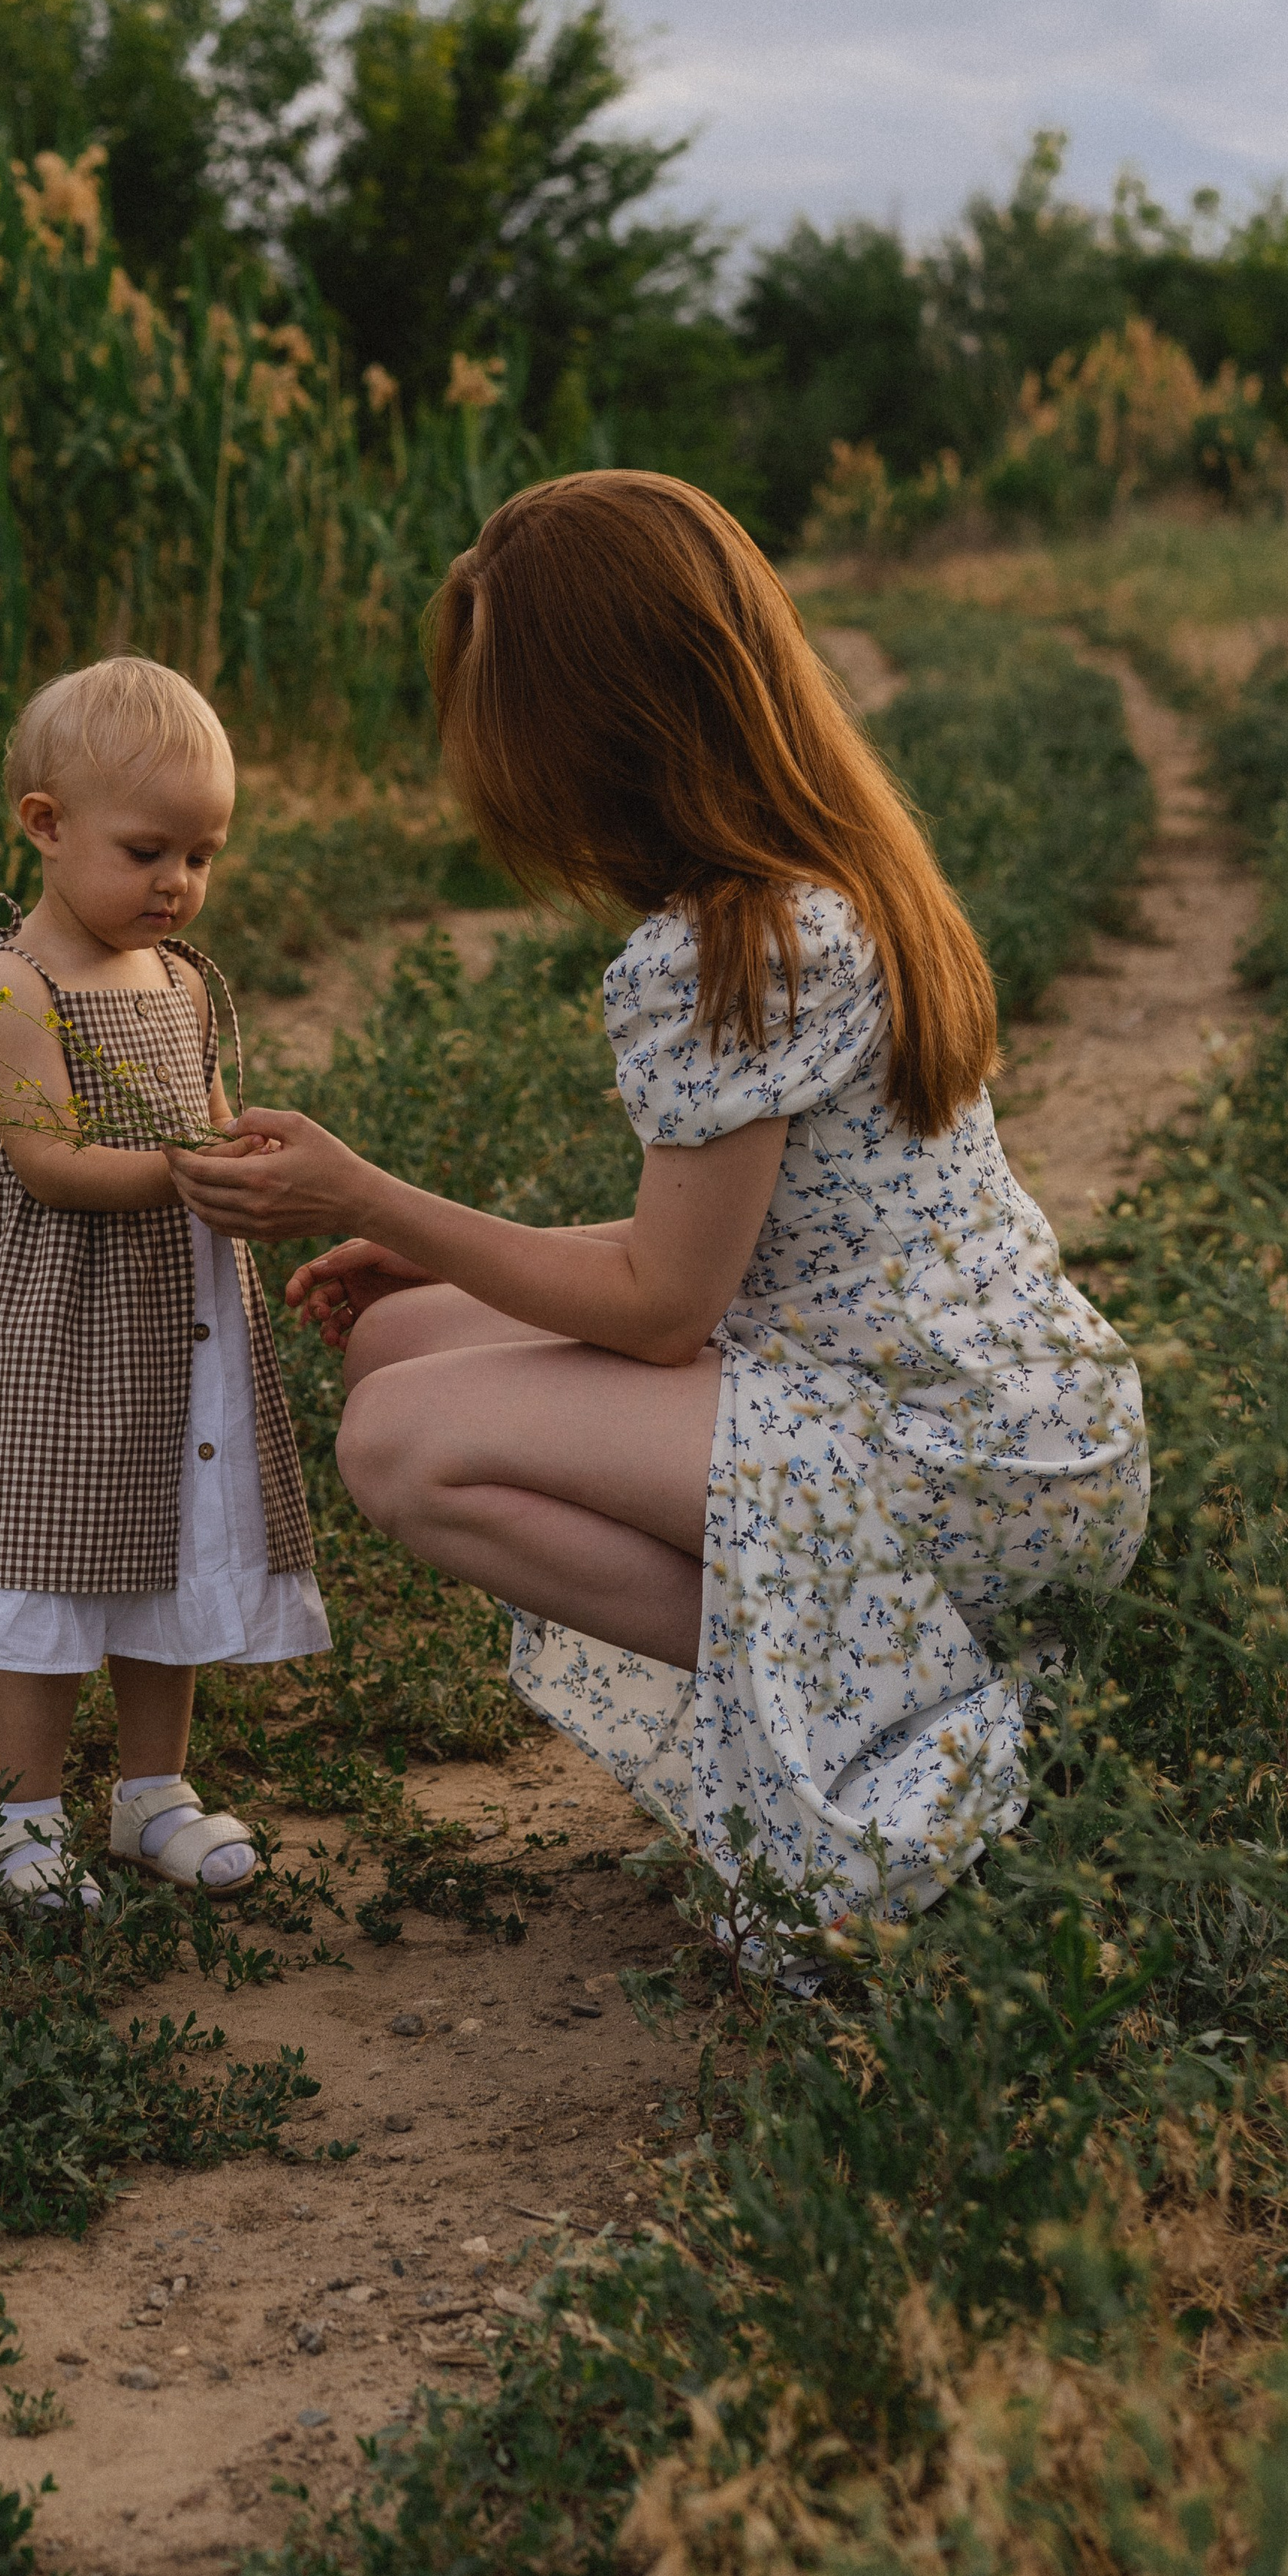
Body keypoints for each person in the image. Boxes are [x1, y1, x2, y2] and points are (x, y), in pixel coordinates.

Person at [170, 472, 1147, 1931]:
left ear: (601, 725)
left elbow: (665, 1310)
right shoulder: (835, 870)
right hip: (1010, 1414)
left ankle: (891, 1673)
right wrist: (423, 1241)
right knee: (399, 1340)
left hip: (956, 1464)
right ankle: (851, 1641)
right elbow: (767, 1255)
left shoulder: (733, 947)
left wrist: (362, 1189)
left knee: (397, 1441)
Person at [0, 657, 329, 1912]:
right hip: (60, 1325)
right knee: (59, 1549)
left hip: (175, 1318)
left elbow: (211, 1119)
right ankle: (24, 1816)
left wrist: (253, 1164)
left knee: (169, 1545)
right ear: (46, 825)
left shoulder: (180, 982)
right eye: (147, 851)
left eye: (203, 854)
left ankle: (150, 1795)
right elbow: (50, 1167)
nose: (178, 884)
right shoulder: (17, 986)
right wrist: (197, 1175)